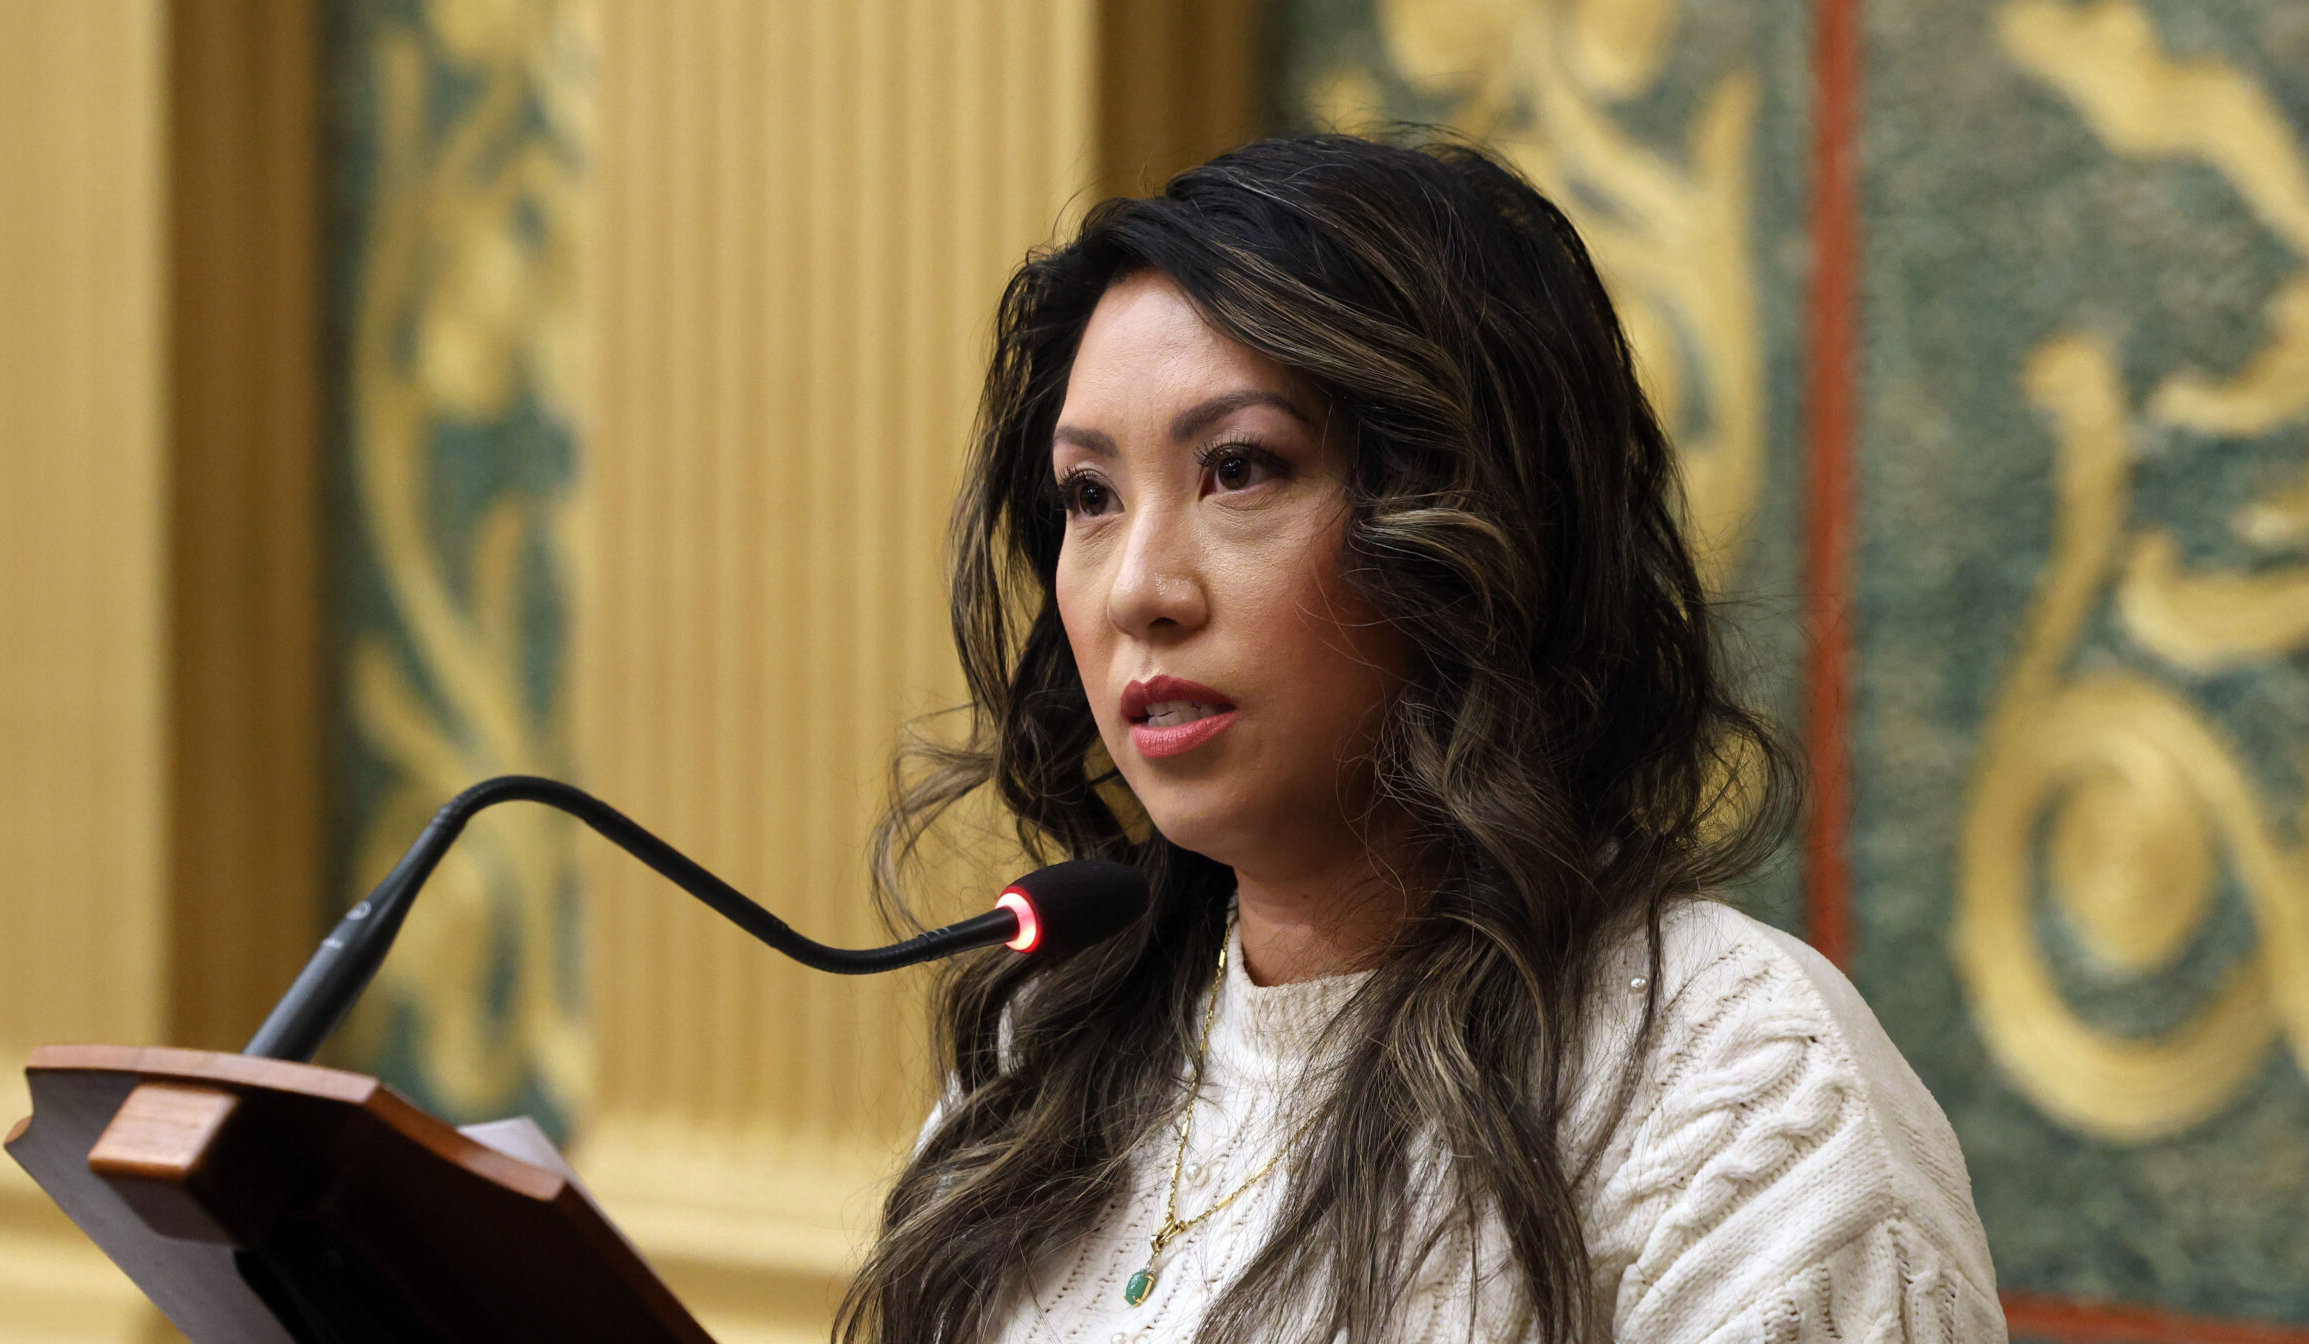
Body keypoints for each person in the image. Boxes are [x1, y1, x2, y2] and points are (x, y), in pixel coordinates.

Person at [838, 136, 2002, 1344]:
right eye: (1089, 496)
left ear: (1466, 522)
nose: (1138, 589)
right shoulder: (1047, 1051)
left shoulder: (1743, 1092)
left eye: (1239, 470)